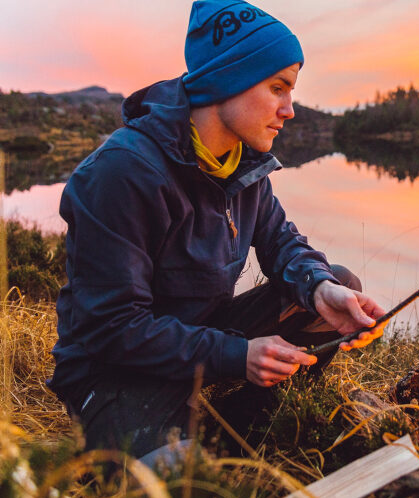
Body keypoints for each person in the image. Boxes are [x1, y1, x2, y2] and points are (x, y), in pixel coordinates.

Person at [47, 0, 386, 463]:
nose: (289, 110)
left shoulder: (243, 166)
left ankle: (241, 433)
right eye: (277, 88)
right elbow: (111, 328)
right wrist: (233, 354)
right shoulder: (121, 173)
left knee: (337, 286)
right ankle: (176, 443)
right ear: (228, 80)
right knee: (181, 479)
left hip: (199, 339)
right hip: (112, 371)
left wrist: (320, 288)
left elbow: (282, 242)